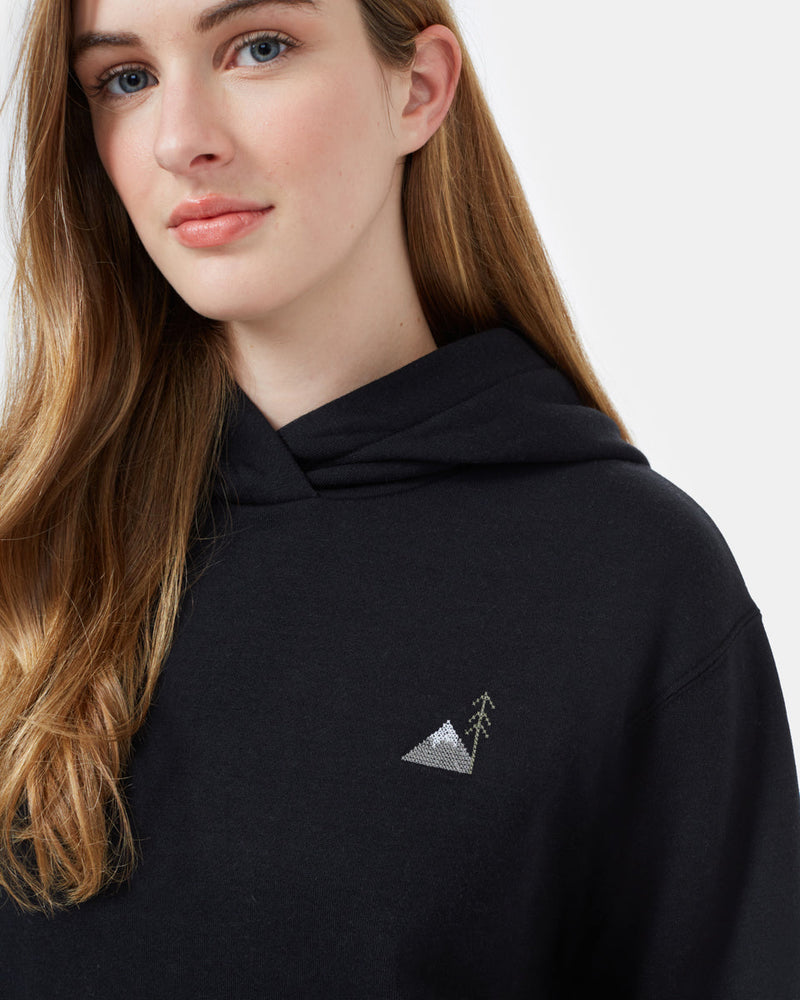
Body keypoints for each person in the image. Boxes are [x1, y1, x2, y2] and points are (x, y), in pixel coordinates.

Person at [0, 0, 798, 996]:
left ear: (417, 89)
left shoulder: (626, 583)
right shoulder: (27, 554)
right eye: (126, 78)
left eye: (257, 48)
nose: (179, 140)